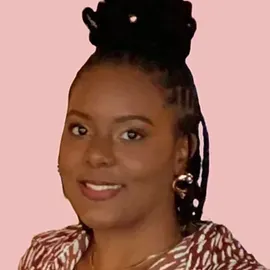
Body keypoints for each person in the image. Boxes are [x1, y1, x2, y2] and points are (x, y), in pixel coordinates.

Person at [18, 0, 268, 269]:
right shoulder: (44, 255)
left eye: (131, 134)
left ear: (181, 152)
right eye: (81, 129)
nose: (97, 154)